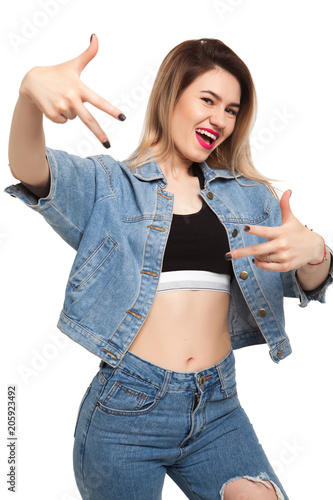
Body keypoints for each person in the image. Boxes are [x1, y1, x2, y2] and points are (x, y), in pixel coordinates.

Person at [6, 34, 332, 500]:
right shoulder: (109, 185)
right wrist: (28, 94)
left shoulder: (250, 196)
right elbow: (30, 168)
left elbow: (305, 283)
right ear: (170, 96)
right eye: (208, 100)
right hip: (127, 411)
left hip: (217, 405)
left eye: (231, 110)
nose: (219, 120)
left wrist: (316, 253)